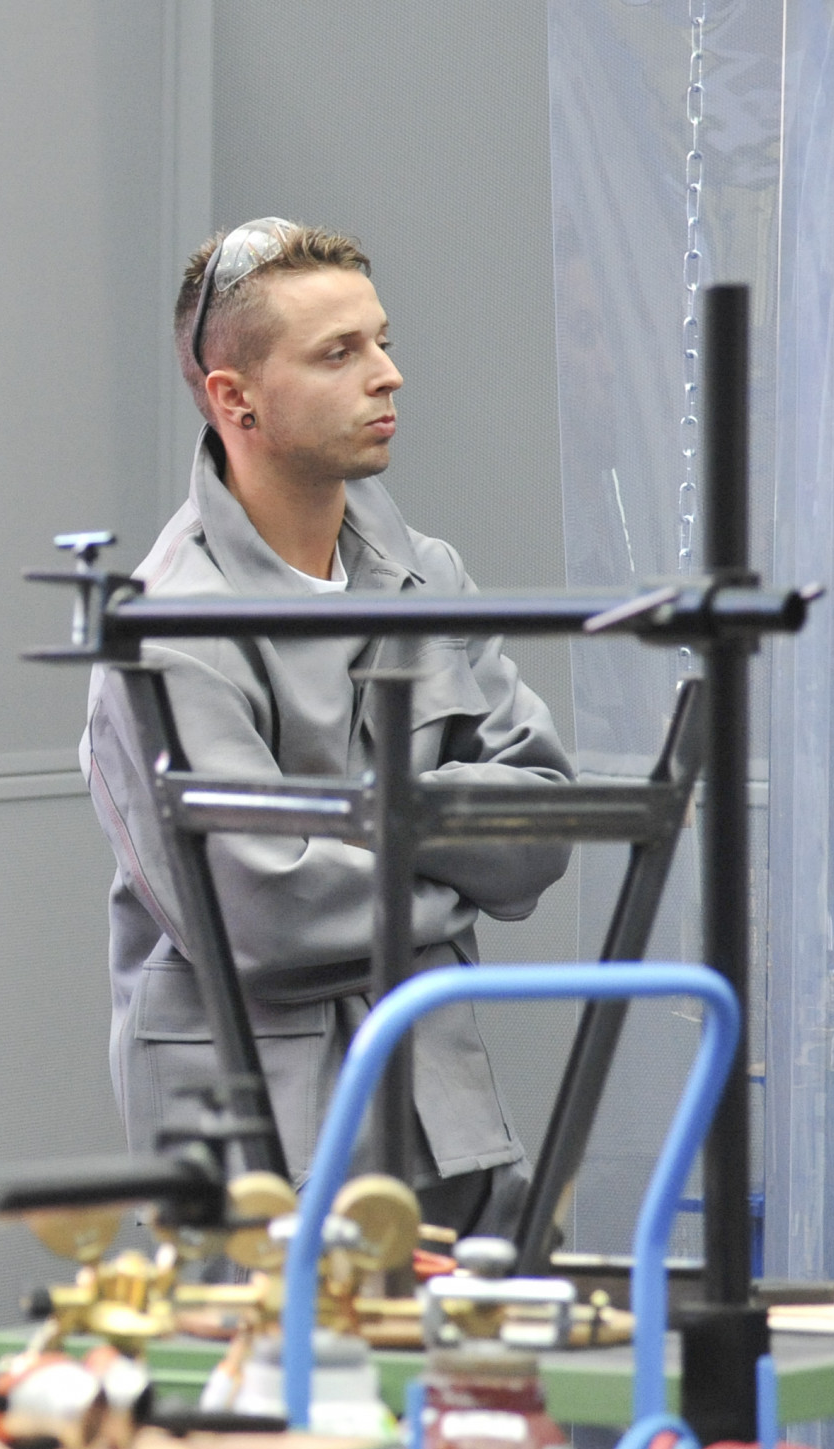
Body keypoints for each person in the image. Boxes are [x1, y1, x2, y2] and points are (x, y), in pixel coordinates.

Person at [83, 218, 574, 1235]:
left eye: (382, 341)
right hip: (259, 1153)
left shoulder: (426, 576)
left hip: (445, 1126)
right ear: (236, 399)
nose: (388, 375)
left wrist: (350, 826)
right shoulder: (170, 627)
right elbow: (266, 918)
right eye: (339, 353)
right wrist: (453, 882)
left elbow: (544, 830)